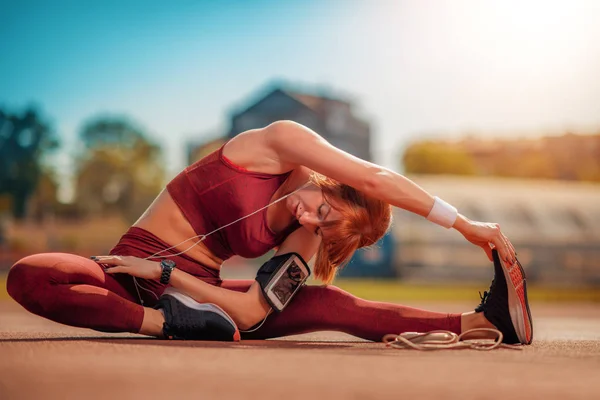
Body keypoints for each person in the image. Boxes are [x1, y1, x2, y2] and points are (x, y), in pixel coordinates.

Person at [6, 120, 532, 344]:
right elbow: (376, 177)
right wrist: (463, 223)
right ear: (338, 183)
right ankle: (161, 325)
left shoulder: (307, 235)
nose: (310, 222)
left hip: (199, 298)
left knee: (329, 304)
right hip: (129, 273)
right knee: (32, 276)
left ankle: (485, 323)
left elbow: (253, 312)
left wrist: (169, 275)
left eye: (324, 229)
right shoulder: (278, 144)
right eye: (324, 210)